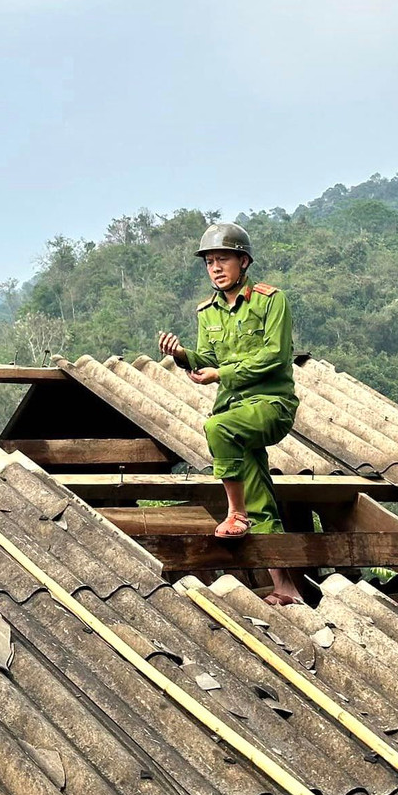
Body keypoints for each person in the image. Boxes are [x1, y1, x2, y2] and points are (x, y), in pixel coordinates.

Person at [157, 222, 303, 606]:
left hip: (271, 406)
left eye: (222, 259)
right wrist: (182, 355)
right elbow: (207, 358)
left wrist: (222, 374)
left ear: (243, 260)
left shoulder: (272, 301)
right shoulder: (207, 312)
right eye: (209, 261)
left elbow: (273, 355)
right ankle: (286, 588)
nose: (215, 267)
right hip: (236, 410)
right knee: (258, 492)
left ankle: (233, 513)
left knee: (216, 427)